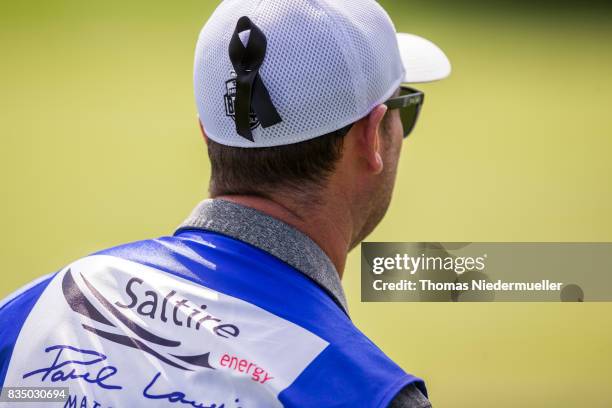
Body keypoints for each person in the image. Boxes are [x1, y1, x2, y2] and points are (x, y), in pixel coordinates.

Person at [0, 0, 450, 406]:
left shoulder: (29, 317)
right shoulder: (370, 394)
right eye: (403, 109)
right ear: (372, 138)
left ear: (207, 132)